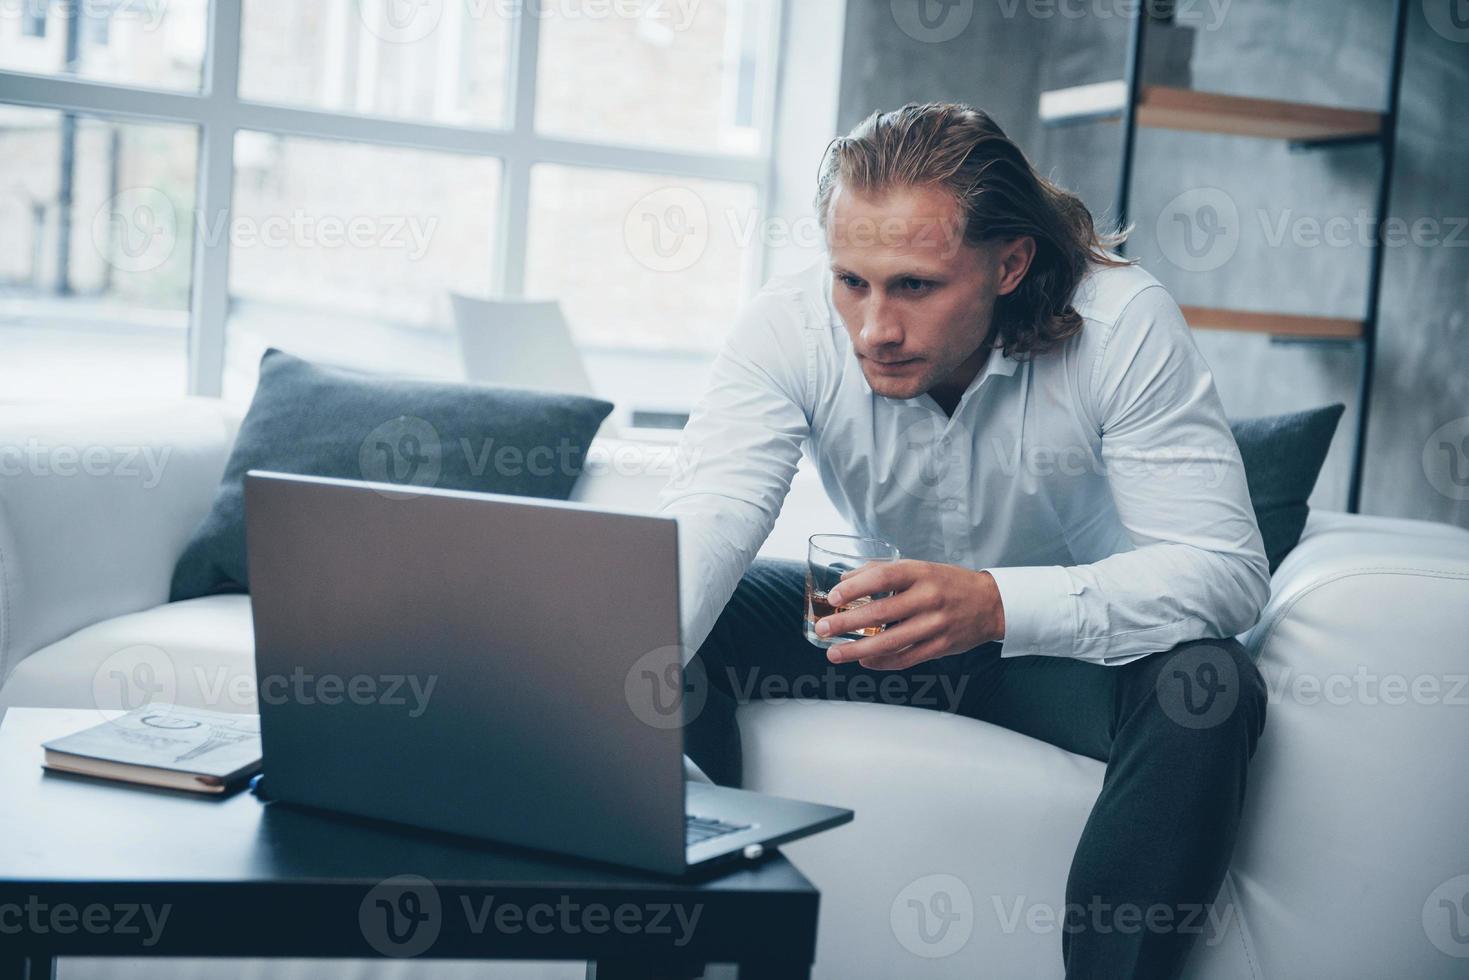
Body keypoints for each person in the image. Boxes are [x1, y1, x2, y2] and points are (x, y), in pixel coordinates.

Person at [657, 102, 1270, 979]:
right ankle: (705, 948)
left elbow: (1225, 573)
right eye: (851, 281)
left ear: (1009, 263)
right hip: (881, 635)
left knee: (1207, 682)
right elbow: (711, 512)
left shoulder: (1122, 320)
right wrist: (599, 679)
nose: (874, 329)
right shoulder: (788, 323)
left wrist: (991, 604)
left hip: (1062, 659)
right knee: (656, 624)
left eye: (915, 285)